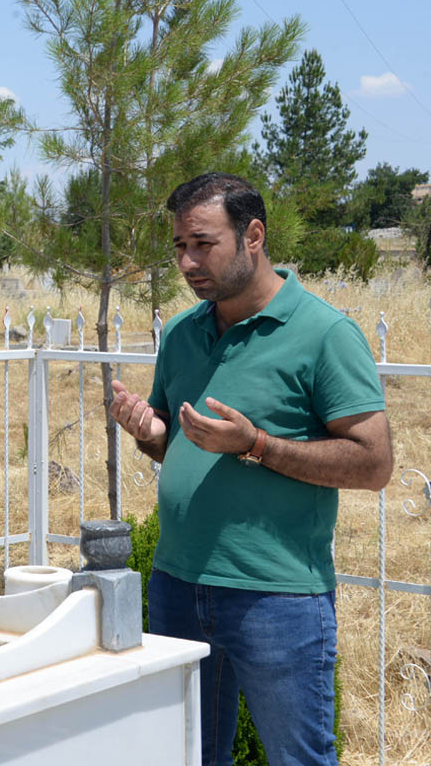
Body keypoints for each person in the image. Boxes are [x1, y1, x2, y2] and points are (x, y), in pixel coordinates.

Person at [109, 173, 392, 766]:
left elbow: (374, 462)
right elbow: (178, 444)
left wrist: (258, 443)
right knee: (190, 755)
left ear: (253, 235)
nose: (187, 262)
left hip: (277, 597)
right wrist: (151, 433)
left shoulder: (324, 333)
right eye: (180, 247)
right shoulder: (184, 334)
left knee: (299, 759)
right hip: (177, 585)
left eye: (203, 243)